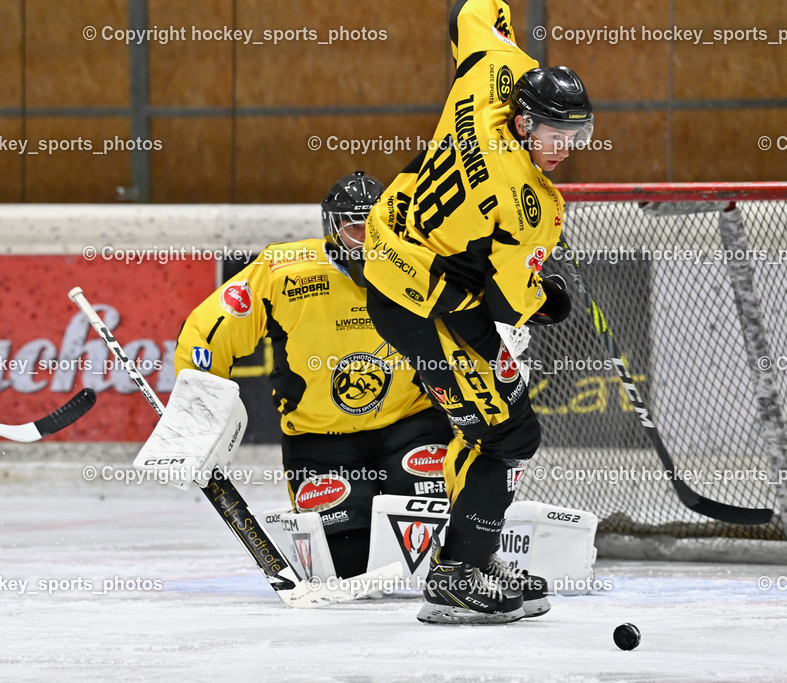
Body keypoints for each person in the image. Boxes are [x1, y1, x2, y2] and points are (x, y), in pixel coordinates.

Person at [362, 0, 592, 623]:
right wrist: (552, 299)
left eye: (577, 134)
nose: (565, 147)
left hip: (394, 260)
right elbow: (512, 305)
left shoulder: (491, 71)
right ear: (523, 122)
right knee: (509, 434)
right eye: (555, 134)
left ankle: (472, 557)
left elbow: (471, 10)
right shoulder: (530, 205)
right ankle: (456, 576)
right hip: (428, 307)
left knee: (489, 428)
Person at [174, 171, 453, 579]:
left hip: (411, 427)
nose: (369, 241)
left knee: (434, 558)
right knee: (346, 566)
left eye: (379, 228)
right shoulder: (282, 270)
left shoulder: (418, 264)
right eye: (357, 229)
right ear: (332, 229)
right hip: (321, 442)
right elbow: (208, 332)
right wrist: (199, 410)